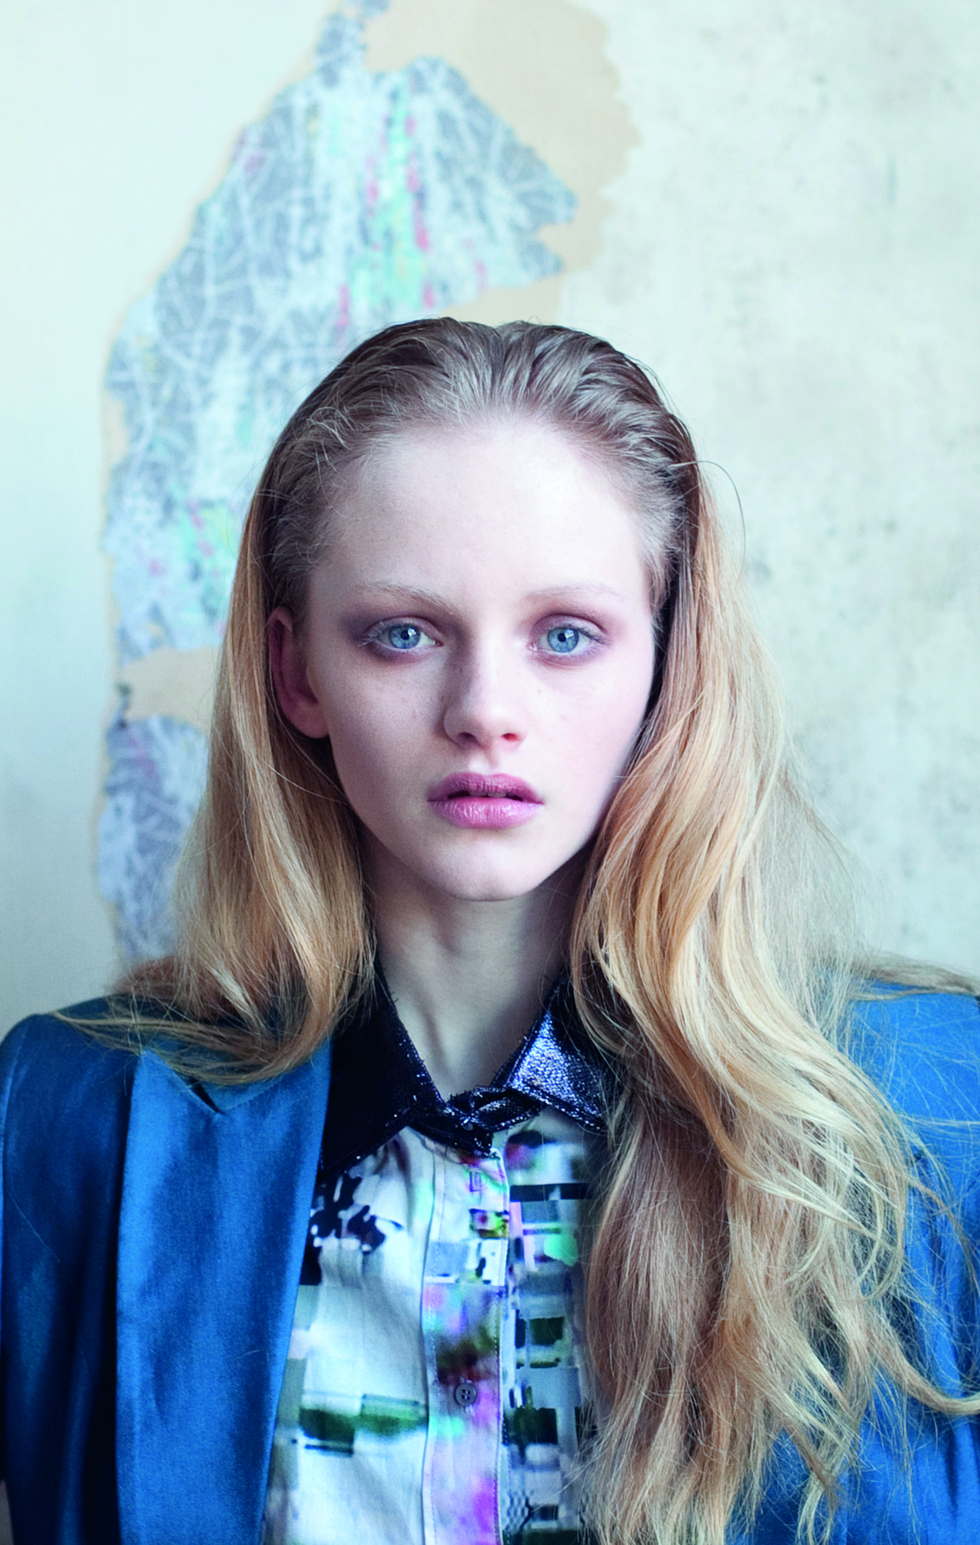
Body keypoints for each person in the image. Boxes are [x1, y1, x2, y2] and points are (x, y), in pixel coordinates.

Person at [2, 319, 978, 1545]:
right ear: (297, 674)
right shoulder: (64, 1119)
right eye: (402, 633)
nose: (484, 712)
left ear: (665, 663)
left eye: (564, 634)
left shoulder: (941, 1115)